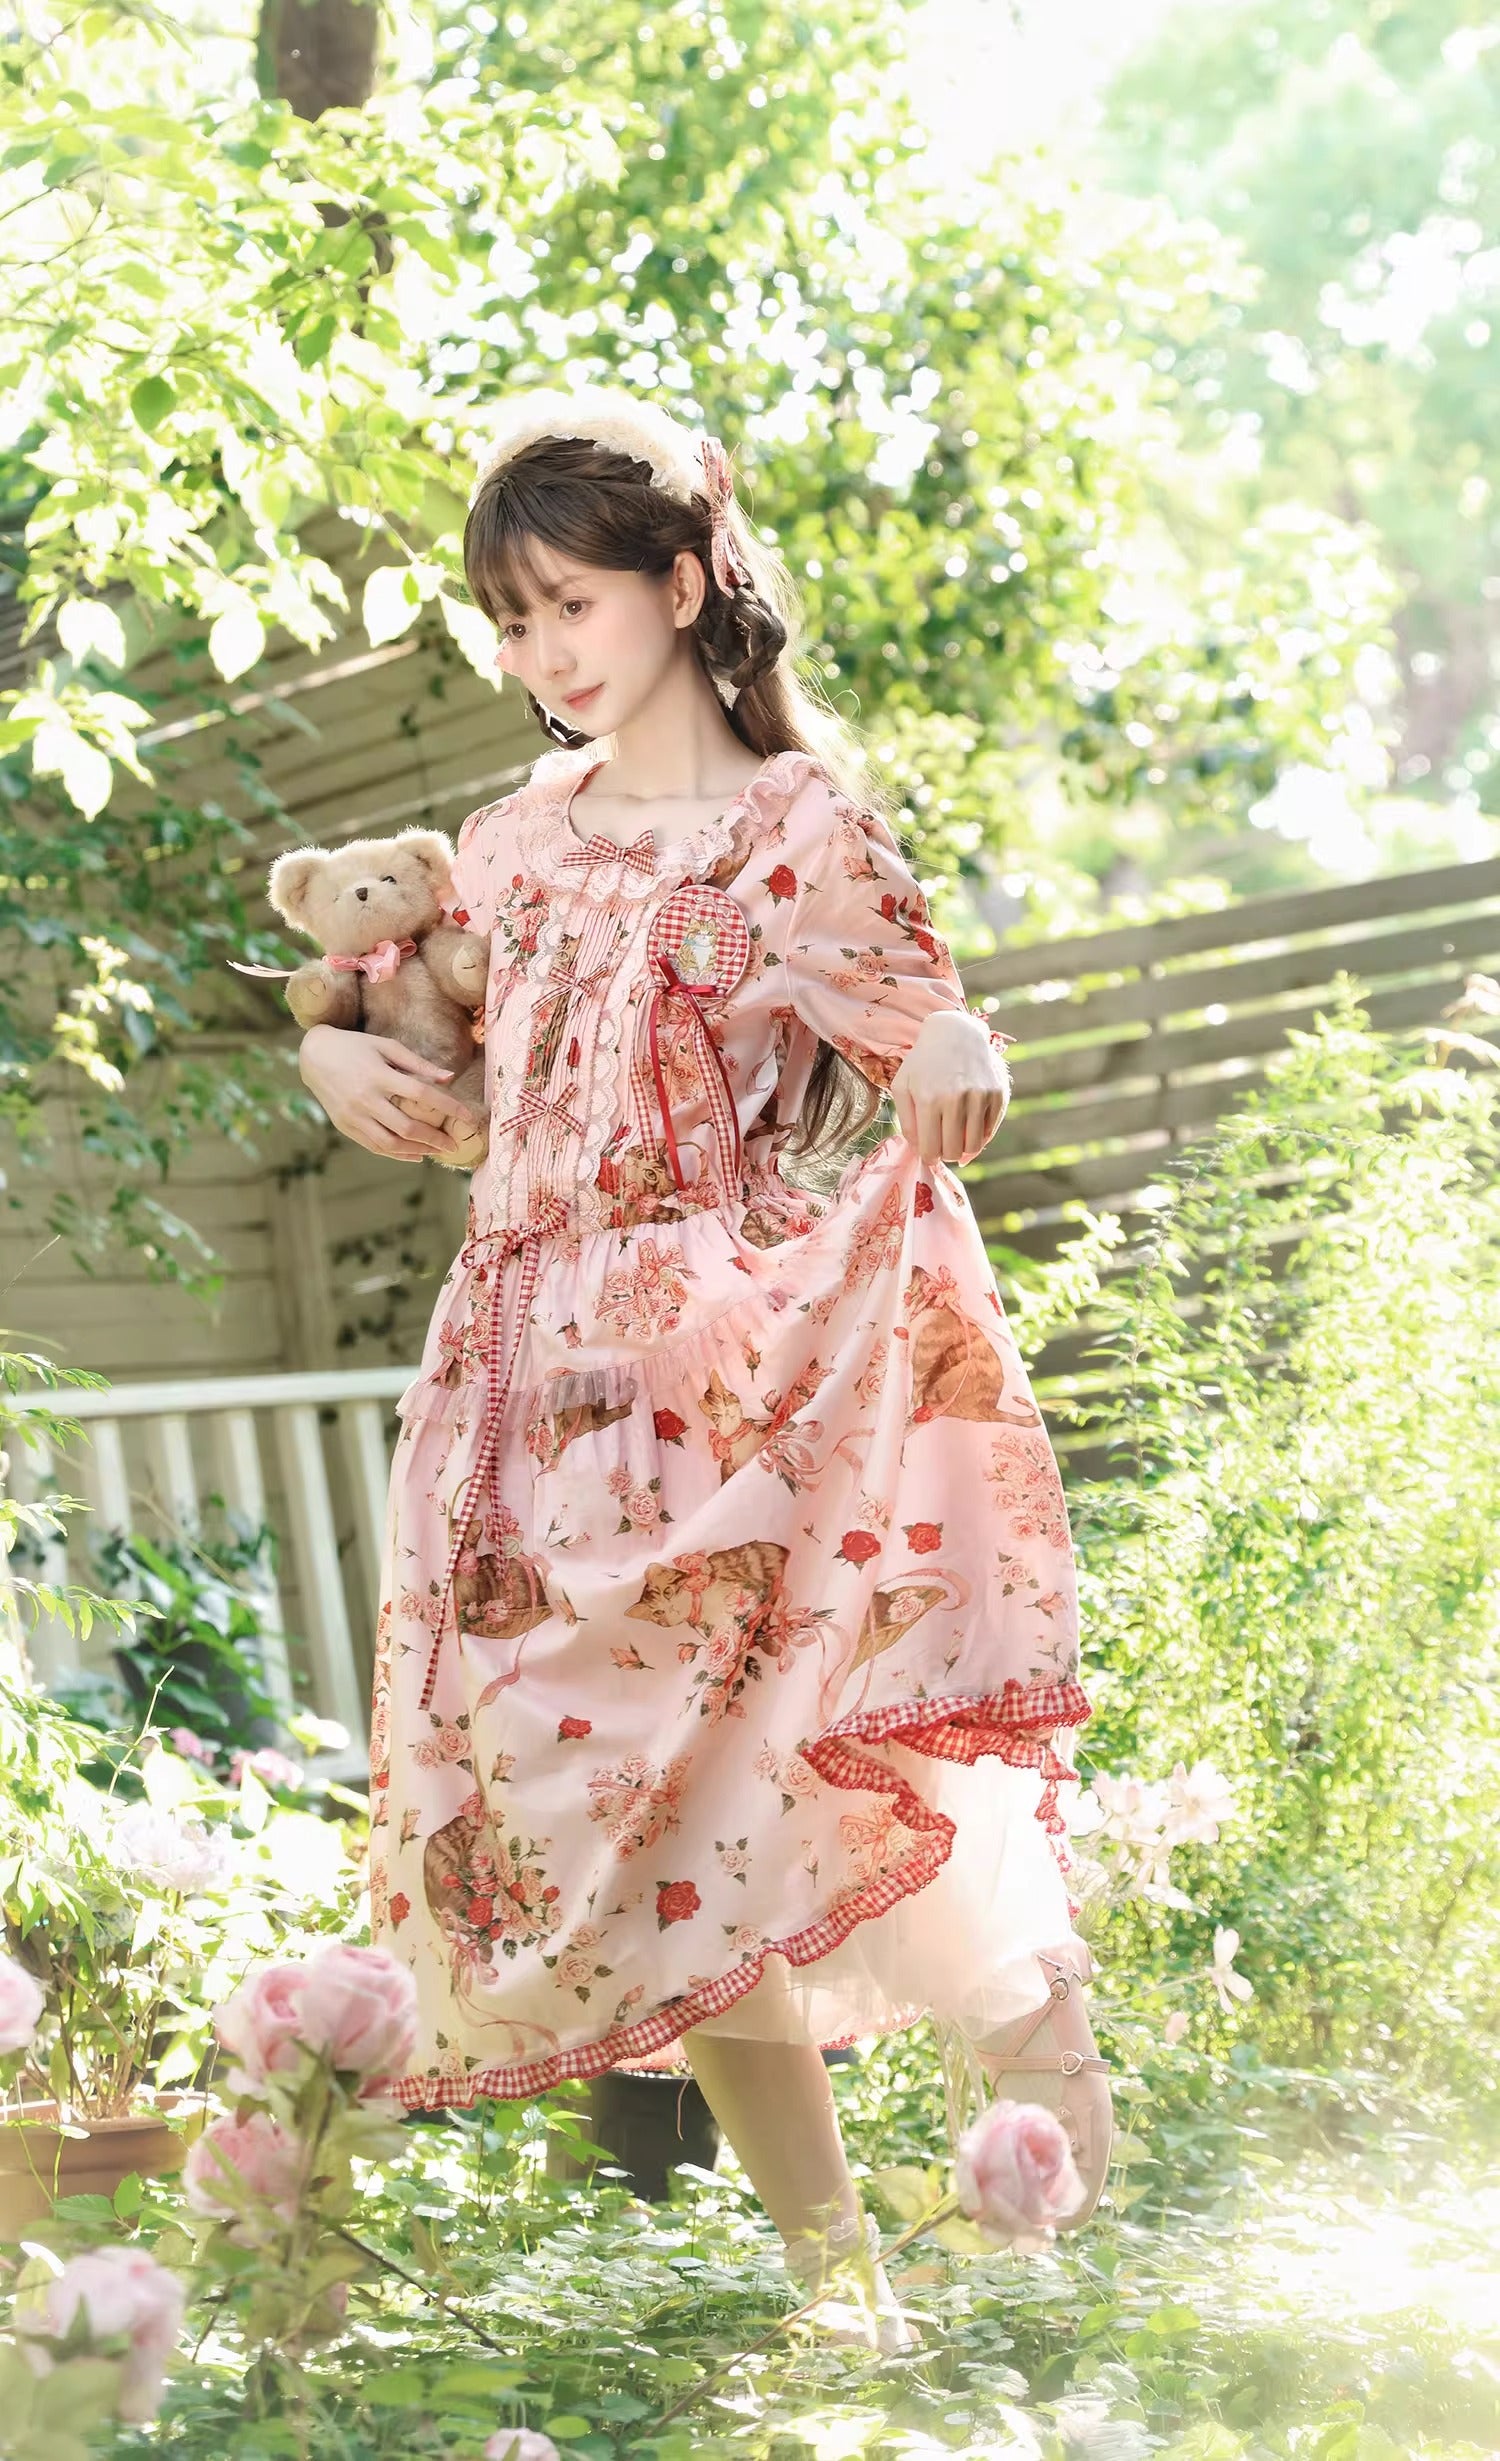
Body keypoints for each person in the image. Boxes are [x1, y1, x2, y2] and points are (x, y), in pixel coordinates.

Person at [299, 384, 1112, 2351]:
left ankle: (1065, 2227)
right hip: (521, 1402)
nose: (543, 652)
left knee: (795, 1779)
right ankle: (842, 2298)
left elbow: (920, 1020)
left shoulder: (793, 826)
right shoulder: (506, 845)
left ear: (680, 586)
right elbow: (430, 1049)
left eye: (570, 604)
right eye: (512, 621)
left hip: (720, 1389)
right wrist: (331, 1055)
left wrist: (956, 1048)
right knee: (664, 1844)